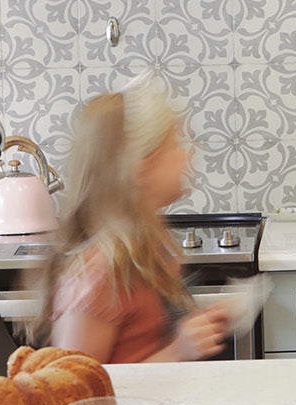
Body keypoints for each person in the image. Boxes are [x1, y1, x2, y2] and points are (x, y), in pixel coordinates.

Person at [31, 71, 232, 363]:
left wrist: (198, 327)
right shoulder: (99, 275)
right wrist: (178, 350)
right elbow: (78, 393)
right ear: (142, 168)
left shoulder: (147, 249)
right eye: (176, 145)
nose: (188, 155)